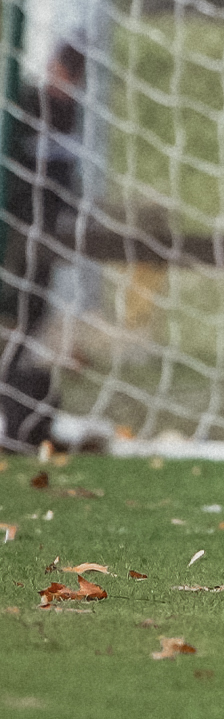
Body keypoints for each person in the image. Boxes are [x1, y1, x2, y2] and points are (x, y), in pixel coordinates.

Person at [0, 41, 85, 450]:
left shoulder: (71, 114)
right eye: (63, 73)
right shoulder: (23, 103)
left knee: (31, 315)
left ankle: (20, 406)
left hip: (44, 235)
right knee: (13, 311)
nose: (66, 84)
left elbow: (65, 176)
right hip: (15, 229)